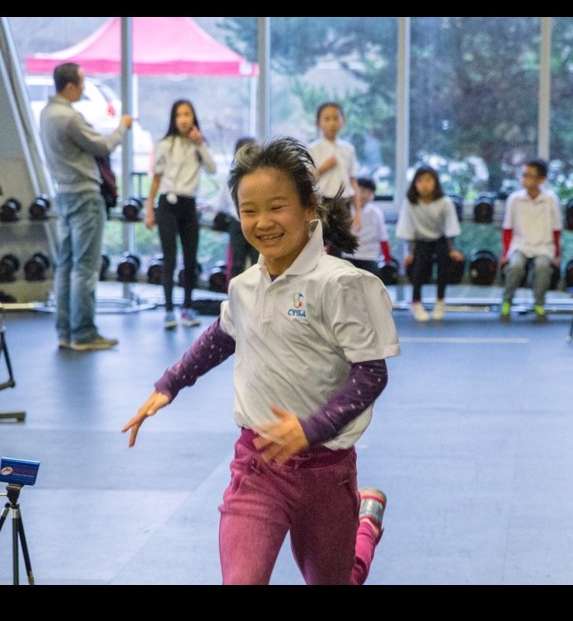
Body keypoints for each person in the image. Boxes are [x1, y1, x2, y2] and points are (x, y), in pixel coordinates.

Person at [122, 136, 400, 585]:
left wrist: (310, 429)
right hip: (257, 467)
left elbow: (371, 375)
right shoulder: (245, 285)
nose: (262, 222)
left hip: (326, 474)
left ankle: (365, 526)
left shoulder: (342, 285)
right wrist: (169, 385)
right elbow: (223, 335)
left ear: (310, 206)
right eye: (249, 210)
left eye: (277, 207)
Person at [40, 62, 132, 351]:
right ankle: (83, 333)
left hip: (64, 196)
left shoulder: (46, 114)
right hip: (85, 197)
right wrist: (122, 127)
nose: (82, 88)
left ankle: (66, 331)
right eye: (80, 83)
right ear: (69, 86)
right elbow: (103, 147)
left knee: (66, 266)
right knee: (85, 268)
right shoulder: (69, 117)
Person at [144, 99, 217, 329]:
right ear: (174, 119)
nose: (184, 119)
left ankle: (187, 307)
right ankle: (168, 310)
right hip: (167, 203)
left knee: (190, 258)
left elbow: (213, 169)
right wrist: (149, 209)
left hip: (189, 204)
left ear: (193, 118)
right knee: (170, 258)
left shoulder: (199, 144)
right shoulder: (165, 143)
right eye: (179, 115)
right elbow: (156, 178)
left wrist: (200, 143)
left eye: (187, 114)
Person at [395, 165, 464, 322]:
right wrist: (410, 253)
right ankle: (416, 302)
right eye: (419, 181)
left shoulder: (445, 203)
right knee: (418, 267)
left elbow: (450, 228)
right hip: (420, 241)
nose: (424, 185)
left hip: (440, 240)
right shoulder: (410, 203)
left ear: (435, 182)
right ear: (414, 184)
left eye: (428, 180)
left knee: (444, 262)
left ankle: (440, 302)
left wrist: (452, 249)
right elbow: (407, 229)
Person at [499, 159, 562, 323]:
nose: (525, 179)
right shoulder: (514, 199)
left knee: (542, 267)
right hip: (520, 244)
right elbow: (507, 229)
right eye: (524, 175)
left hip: (544, 246)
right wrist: (505, 253)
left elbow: (556, 230)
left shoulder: (551, 200)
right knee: (516, 266)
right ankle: (506, 301)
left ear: (541, 180)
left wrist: (556, 254)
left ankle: (539, 304)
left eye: (530, 176)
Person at [309, 101, 361, 230]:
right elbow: (307, 179)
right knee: (320, 241)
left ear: (343, 121)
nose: (332, 123)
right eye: (327, 119)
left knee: (341, 243)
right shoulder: (313, 149)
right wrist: (323, 168)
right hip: (321, 201)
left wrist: (358, 212)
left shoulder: (348, 149)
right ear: (318, 123)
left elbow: (353, 181)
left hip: (344, 202)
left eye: (336, 118)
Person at [226, 137, 260, 285]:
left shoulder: (262, 178)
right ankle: (234, 299)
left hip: (257, 223)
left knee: (258, 262)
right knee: (237, 264)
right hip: (237, 223)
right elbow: (224, 200)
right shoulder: (232, 176)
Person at [342, 177, 392, 276]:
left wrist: (387, 258)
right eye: (362, 190)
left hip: (369, 256)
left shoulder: (376, 213)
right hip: (348, 255)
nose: (365, 195)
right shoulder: (346, 210)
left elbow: (383, 237)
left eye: (370, 192)